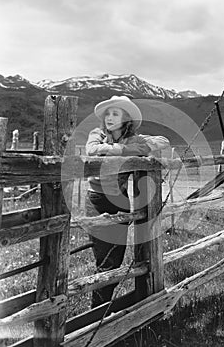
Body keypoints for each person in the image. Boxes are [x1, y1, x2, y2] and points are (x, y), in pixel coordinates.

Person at [85, 95, 170, 308]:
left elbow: (162, 141)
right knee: (107, 260)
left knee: (117, 256)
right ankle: (96, 312)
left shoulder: (132, 139)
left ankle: (102, 309)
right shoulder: (96, 134)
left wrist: (117, 150)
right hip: (97, 200)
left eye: (115, 114)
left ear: (126, 119)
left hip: (120, 200)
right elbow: (92, 150)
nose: (110, 118)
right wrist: (122, 150)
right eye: (108, 114)